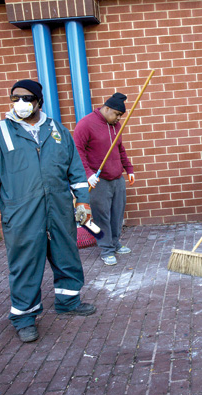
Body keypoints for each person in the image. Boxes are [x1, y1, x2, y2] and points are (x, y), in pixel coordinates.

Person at [0, 79, 96, 343]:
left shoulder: (58, 131)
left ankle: (68, 301)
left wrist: (82, 201)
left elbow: (75, 170)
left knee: (67, 257)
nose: (21, 103)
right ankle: (24, 317)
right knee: (25, 265)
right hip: (21, 214)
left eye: (27, 98)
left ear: (39, 101)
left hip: (59, 210)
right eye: (15, 98)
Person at [74, 93, 134, 266]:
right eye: (116, 114)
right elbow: (77, 151)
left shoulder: (115, 126)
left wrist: (128, 169)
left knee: (117, 214)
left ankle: (115, 244)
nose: (118, 119)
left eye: (120, 116)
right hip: (98, 180)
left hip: (117, 178)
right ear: (107, 109)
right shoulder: (86, 124)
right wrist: (88, 174)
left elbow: (120, 149)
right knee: (101, 217)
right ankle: (106, 249)